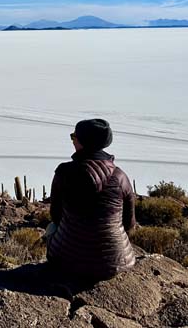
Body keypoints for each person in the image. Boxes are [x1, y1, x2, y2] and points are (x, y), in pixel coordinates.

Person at [46, 118, 136, 280]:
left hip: (66, 261)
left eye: (74, 136)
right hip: (114, 264)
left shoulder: (64, 172)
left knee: (51, 228)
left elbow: (56, 216)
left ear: (82, 141)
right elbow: (129, 224)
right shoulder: (120, 176)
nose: (72, 139)